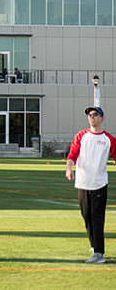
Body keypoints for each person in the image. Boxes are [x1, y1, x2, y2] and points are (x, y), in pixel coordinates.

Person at [66, 106, 116, 264]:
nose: (91, 117)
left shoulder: (109, 139)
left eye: (95, 115)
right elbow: (72, 155)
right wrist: (69, 168)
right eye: (89, 115)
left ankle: (99, 253)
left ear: (102, 118)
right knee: (86, 217)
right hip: (82, 183)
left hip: (99, 184)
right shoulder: (81, 136)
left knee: (97, 218)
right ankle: (95, 246)